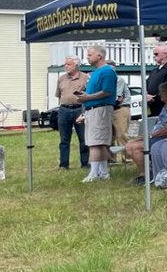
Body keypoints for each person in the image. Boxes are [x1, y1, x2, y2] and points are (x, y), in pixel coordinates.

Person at [126, 80, 167, 185]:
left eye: (161, 92)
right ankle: (145, 173)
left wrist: (150, 135)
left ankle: (146, 175)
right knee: (129, 145)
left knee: (134, 147)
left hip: (165, 137)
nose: (159, 94)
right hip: (156, 135)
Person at [76, 43, 117, 183]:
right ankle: (103, 172)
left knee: (95, 142)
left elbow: (107, 91)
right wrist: (84, 97)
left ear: (99, 56)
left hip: (100, 109)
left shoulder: (107, 71)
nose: (87, 57)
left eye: (90, 55)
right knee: (98, 142)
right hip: (92, 109)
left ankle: (94, 173)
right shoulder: (95, 72)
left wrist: (88, 97)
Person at [54, 55, 89, 170]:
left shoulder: (85, 78)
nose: (66, 66)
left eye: (68, 64)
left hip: (79, 109)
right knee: (64, 139)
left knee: (83, 138)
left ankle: (85, 163)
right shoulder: (61, 79)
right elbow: (59, 95)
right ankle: (64, 164)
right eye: (65, 64)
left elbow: (90, 94)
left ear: (76, 65)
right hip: (64, 110)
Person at [145, 43, 167, 117]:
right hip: (151, 106)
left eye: (156, 54)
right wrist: (146, 95)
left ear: (165, 54)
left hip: (163, 107)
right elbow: (146, 84)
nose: (154, 56)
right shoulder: (154, 71)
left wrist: (154, 97)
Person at [109, 61, 131, 163]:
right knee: (110, 136)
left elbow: (116, 98)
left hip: (120, 109)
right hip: (110, 109)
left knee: (121, 134)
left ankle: (127, 158)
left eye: (111, 69)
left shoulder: (119, 80)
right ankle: (111, 159)